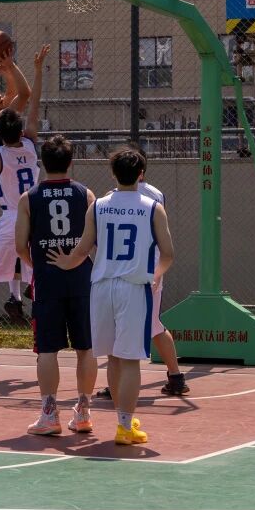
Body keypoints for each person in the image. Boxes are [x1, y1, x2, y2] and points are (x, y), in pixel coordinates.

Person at [49, 147, 174, 446]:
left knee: (113, 358)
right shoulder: (152, 206)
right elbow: (168, 254)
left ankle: (124, 420)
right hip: (133, 286)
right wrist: (155, 275)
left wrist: (64, 262)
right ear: (141, 174)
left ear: (113, 173)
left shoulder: (99, 205)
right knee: (130, 360)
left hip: (102, 285)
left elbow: (82, 249)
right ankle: (124, 426)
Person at [0, 45, 49, 366]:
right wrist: (16, 67)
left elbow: (20, 94)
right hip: (35, 215)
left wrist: (8, 71)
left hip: (11, 217)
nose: (0, 94)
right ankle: (41, 336)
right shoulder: (26, 140)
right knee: (39, 280)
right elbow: (28, 96)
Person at [15, 134, 97, 435]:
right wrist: (74, 258)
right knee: (85, 347)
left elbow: (19, 245)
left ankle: (50, 414)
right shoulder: (86, 195)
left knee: (47, 350)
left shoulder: (29, 198)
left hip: (47, 281)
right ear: (71, 162)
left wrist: (39, 262)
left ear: (42, 163)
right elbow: (92, 242)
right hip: (80, 280)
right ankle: (84, 410)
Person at [96, 150, 190, 398]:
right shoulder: (156, 196)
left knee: (132, 329)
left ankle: (123, 386)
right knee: (152, 325)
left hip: (126, 273)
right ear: (141, 171)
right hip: (150, 269)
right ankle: (175, 375)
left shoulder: (108, 200)